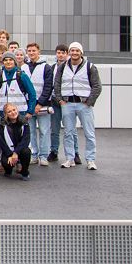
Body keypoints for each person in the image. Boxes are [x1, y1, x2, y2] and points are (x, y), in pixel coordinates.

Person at [53, 41, 101, 170]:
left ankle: (90, 160)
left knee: (89, 133)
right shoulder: (62, 67)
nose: (74, 53)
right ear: (69, 53)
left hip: (83, 104)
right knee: (68, 133)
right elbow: (57, 84)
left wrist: (89, 102)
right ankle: (70, 158)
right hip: (67, 103)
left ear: (81, 53)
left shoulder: (90, 67)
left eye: (77, 51)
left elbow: (97, 86)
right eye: (72, 50)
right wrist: (61, 101)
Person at [22, 43, 54, 166]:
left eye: (33, 51)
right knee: (30, 132)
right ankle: (33, 155)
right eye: (29, 51)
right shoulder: (24, 67)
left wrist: (39, 104)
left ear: (39, 52)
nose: (31, 53)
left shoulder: (46, 67)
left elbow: (48, 87)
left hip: (43, 105)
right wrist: (30, 105)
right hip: (28, 106)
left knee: (44, 131)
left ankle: (44, 156)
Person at [49, 45, 79, 163]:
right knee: (55, 129)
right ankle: (54, 151)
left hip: (68, 102)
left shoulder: (70, 67)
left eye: (63, 52)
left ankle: (75, 152)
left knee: (71, 129)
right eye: (58, 52)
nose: (60, 55)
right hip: (56, 101)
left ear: (67, 54)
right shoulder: (52, 67)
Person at [0, 102, 32, 180]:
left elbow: (26, 140)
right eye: (9, 111)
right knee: (6, 163)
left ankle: (25, 172)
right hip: (9, 149)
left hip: (21, 149)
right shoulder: (1, 124)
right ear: (6, 114)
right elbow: (1, 142)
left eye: (14, 110)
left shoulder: (24, 122)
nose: (13, 112)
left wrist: (16, 153)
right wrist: (10, 155)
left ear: (17, 110)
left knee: (26, 152)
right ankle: (8, 169)